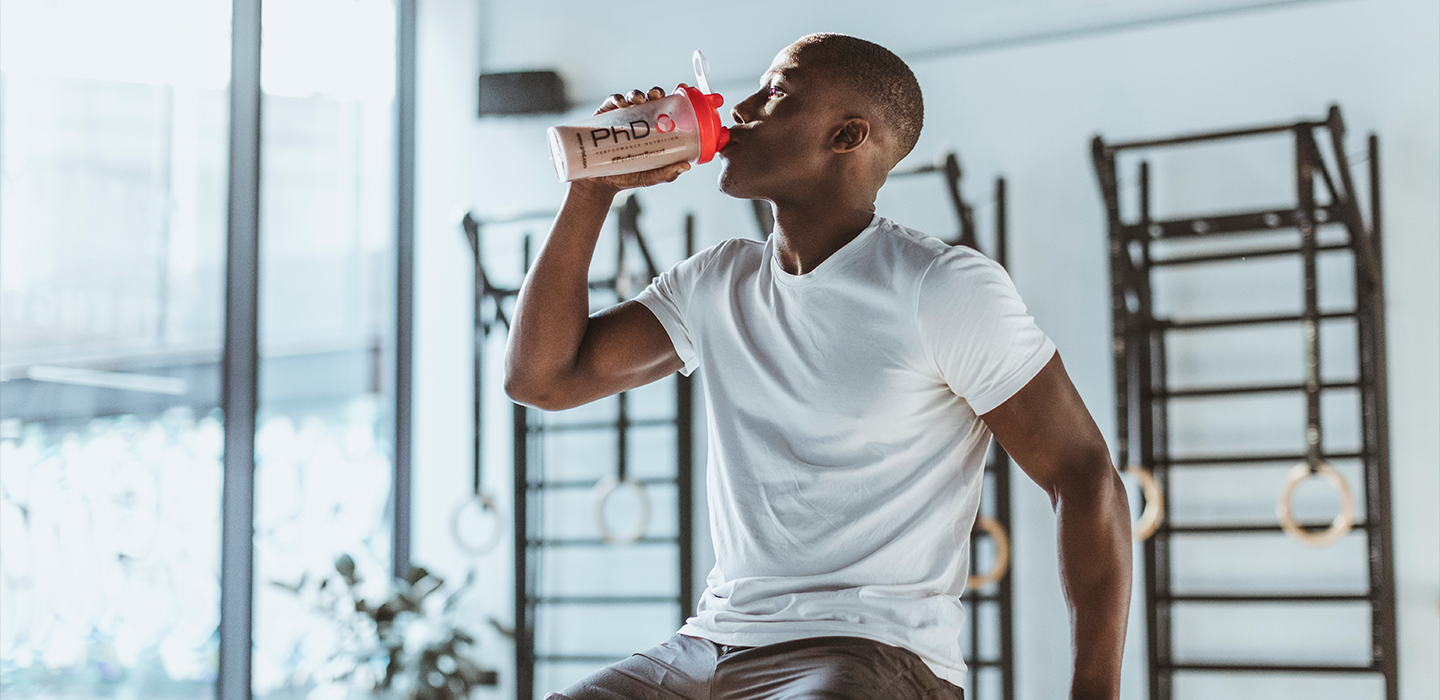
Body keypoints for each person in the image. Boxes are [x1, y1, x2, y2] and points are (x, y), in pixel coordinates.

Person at [505, 33, 1132, 700]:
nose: (738, 109)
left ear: (847, 136)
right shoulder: (717, 280)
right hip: (712, 644)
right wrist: (593, 191)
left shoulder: (941, 287)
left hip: (876, 653)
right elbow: (542, 379)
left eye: (774, 95)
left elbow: (1084, 473)